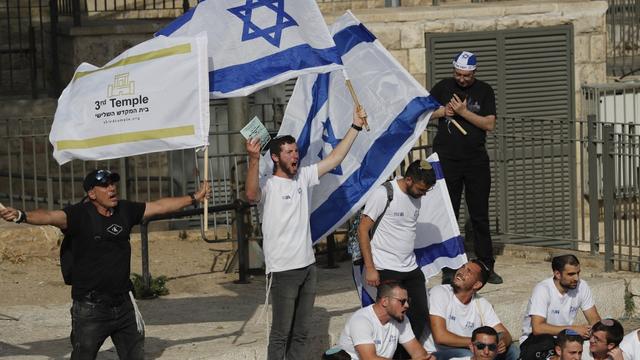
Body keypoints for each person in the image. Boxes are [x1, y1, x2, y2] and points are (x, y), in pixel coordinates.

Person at [0, 169, 211, 360]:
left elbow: (159, 206)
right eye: (105, 185)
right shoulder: (79, 215)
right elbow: (49, 216)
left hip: (124, 304)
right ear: (92, 193)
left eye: (113, 183)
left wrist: (194, 197)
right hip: (91, 308)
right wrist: (21, 216)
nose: (112, 188)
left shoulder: (125, 210)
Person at [245, 106, 367, 360]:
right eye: (288, 152)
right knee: (281, 333)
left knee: (301, 332)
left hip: (308, 266)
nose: (295, 156)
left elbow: (335, 159)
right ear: (276, 158)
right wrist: (254, 159)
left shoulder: (303, 176)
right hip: (282, 269)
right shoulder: (269, 184)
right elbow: (250, 195)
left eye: (296, 151)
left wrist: (355, 127)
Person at [430, 50, 502, 284]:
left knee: (479, 214)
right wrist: (443, 111)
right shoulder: (442, 87)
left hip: (475, 161)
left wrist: (463, 112)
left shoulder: (484, 90)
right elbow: (425, 112)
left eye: (466, 75)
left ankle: (485, 265)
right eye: (458, 74)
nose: (462, 79)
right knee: (449, 214)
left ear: (474, 72)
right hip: (448, 160)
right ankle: (450, 266)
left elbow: (489, 124)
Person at [357, 159, 437, 344]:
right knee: (391, 316)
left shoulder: (416, 197)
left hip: (409, 266)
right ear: (409, 180)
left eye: (426, 191)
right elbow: (362, 230)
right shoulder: (384, 193)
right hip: (385, 266)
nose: (423, 195)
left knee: (420, 314)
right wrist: (370, 268)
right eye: (421, 189)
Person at [424, 260, 518, 360]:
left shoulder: (481, 303)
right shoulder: (440, 292)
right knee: (474, 355)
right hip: (437, 353)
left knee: (512, 350)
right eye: (462, 267)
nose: (461, 271)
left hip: (470, 349)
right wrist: (478, 343)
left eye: (469, 271)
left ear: (476, 285)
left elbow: (505, 333)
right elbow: (440, 337)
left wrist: (502, 341)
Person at [520, 255, 601, 358]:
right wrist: (573, 330)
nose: (576, 278)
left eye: (578, 273)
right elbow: (538, 328)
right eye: (571, 274)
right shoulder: (543, 290)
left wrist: (596, 334)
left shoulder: (582, 286)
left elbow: (594, 319)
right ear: (557, 274)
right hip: (538, 342)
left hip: (566, 340)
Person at [336, 281, 435, 360]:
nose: (407, 305)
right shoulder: (361, 320)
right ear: (385, 301)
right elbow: (369, 358)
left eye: (408, 301)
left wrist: (426, 357)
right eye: (402, 301)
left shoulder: (401, 319)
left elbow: (417, 352)